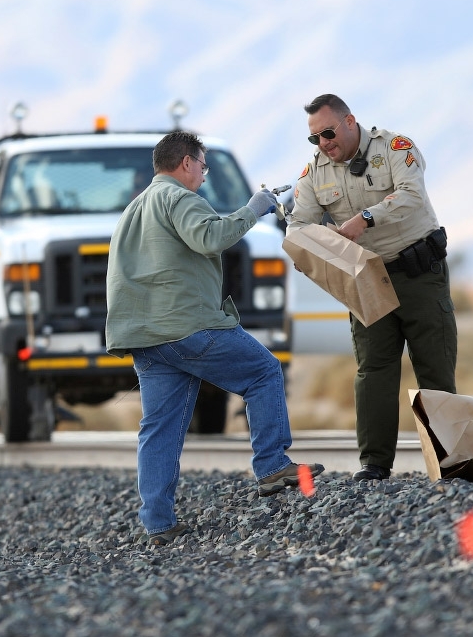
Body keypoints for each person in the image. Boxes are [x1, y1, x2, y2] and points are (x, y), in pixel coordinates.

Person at [106, 130, 324, 545]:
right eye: (203, 166)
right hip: (187, 326)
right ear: (185, 162)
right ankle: (272, 465)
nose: (204, 176)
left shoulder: (134, 210)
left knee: (159, 428)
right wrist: (254, 209)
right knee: (263, 372)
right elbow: (211, 236)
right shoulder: (180, 198)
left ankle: (158, 524)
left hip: (145, 338)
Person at [289, 93, 457, 481]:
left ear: (350, 122)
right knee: (374, 370)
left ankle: (450, 461)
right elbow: (299, 224)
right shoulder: (314, 174)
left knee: (433, 366)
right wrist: (312, 249)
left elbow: (411, 195)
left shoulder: (395, 147)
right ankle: (375, 465)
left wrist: (365, 218)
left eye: (328, 133)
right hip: (365, 279)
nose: (323, 144)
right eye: (315, 139)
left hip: (419, 272)